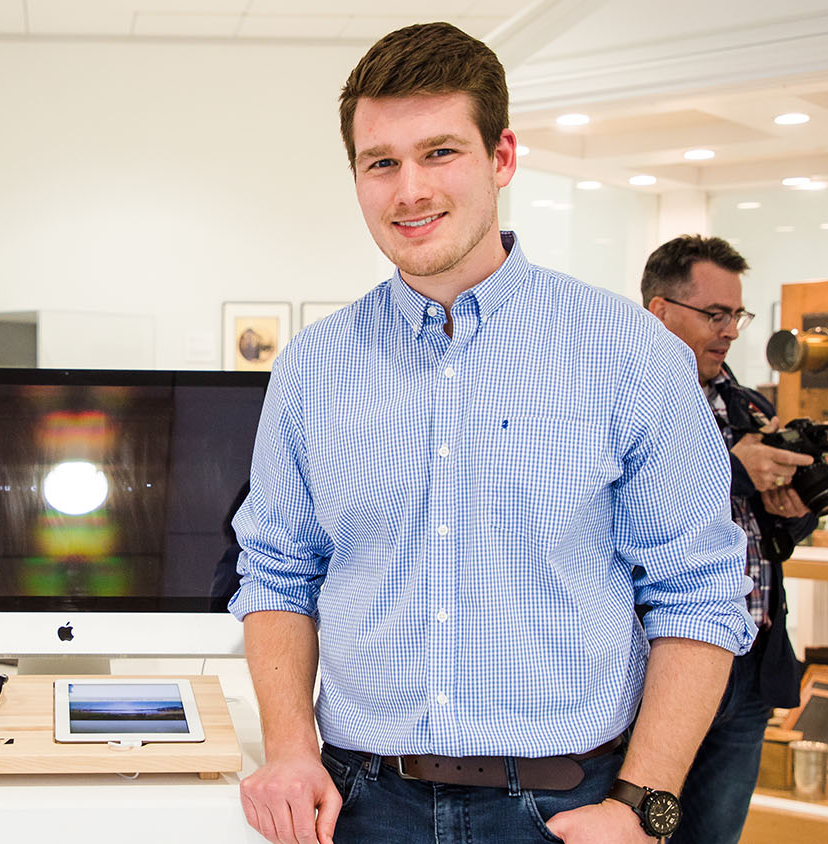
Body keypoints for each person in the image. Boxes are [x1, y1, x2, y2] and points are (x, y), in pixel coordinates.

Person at [228, 21, 757, 844]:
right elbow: (276, 572)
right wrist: (290, 749)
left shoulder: (628, 353)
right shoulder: (311, 368)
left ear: (501, 158)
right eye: (381, 162)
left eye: (440, 152)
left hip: (562, 809)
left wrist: (644, 808)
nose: (409, 190)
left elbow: (700, 592)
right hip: (359, 804)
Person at [642, 235, 819, 844]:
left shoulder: (749, 406)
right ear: (659, 310)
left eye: (736, 315)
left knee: (715, 834)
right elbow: (630, 511)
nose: (731, 331)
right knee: (640, 827)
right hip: (662, 662)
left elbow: (763, 536)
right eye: (714, 315)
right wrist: (734, 469)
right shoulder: (626, 401)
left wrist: (790, 512)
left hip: (750, 659)